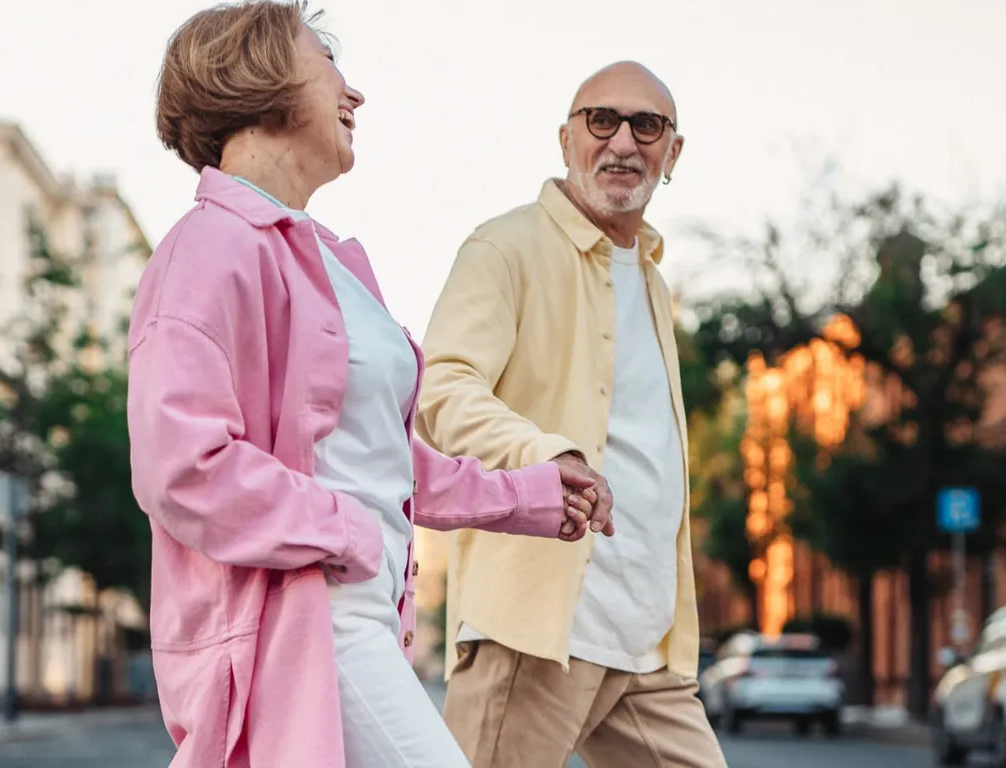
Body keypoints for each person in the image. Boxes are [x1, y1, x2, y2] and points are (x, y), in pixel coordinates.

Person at [127, 3, 612, 767]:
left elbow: (392, 464)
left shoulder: (329, 265)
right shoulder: (210, 247)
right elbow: (182, 467)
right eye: (329, 64)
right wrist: (348, 530)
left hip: (360, 617)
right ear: (264, 80)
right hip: (309, 620)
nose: (354, 94)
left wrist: (536, 494)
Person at [417, 61, 727, 767]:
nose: (622, 141)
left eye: (646, 125)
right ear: (566, 140)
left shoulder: (650, 276)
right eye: (601, 120)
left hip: (647, 646)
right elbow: (441, 385)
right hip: (539, 632)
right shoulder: (507, 246)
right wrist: (541, 455)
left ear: (672, 152)